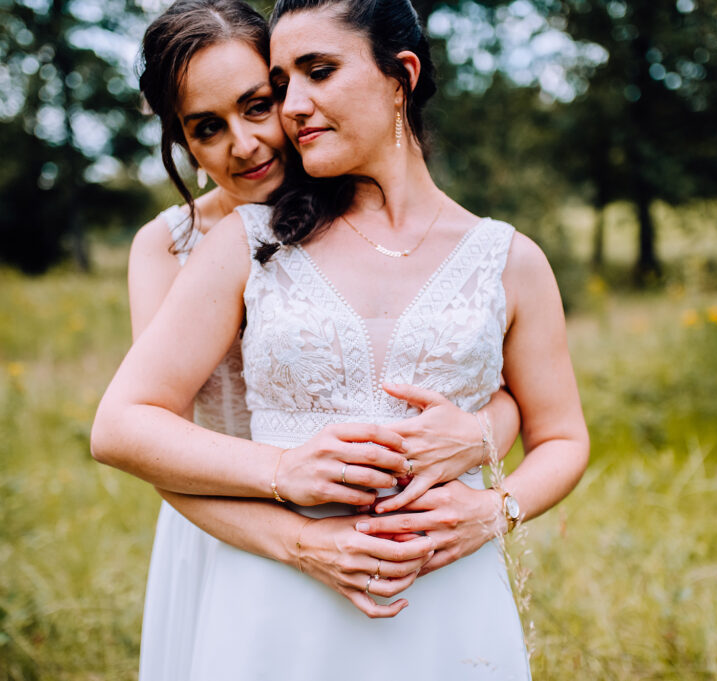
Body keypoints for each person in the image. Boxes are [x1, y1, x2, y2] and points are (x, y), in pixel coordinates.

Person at [121, 1, 523, 678]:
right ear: (182, 141)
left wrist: (481, 430)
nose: (245, 143)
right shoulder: (178, 247)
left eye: (259, 104)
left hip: (379, 534)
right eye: (207, 127)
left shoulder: (365, 216)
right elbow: (153, 437)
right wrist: (299, 534)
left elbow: (482, 375)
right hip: (226, 520)